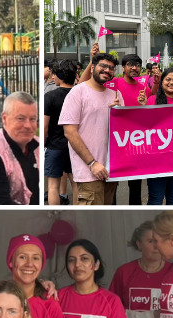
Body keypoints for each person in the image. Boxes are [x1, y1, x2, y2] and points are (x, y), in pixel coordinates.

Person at [60, 53, 122, 205]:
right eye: (103, 66)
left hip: (111, 171)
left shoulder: (116, 95)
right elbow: (69, 132)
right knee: (90, 223)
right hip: (89, 172)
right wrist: (92, 163)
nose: (107, 70)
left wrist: (120, 113)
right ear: (93, 67)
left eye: (111, 68)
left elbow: (123, 132)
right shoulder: (77, 92)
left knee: (106, 220)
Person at [5, 234, 64, 318]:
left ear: (41, 264)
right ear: (11, 262)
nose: (29, 264)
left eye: (36, 258)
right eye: (22, 257)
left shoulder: (50, 304)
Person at [0, 92, 41, 205]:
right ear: (4, 118)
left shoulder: (38, 144)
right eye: (20, 118)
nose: (27, 125)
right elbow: (0, 205)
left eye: (33, 119)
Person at [146, 67, 173, 205]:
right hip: (156, 160)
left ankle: (172, 227)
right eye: (168, 79)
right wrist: (142, 109)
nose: (171, 82)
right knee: (155, 200)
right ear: (162, 82)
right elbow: (145, 128)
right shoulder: (152, 100)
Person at [43, 60, 79, 205]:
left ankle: (55, 218)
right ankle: (78, 217)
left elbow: (45, 126)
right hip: (76, 146)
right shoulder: (79, 95)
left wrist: (43, 144)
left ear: (59, 76)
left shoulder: (50, 96)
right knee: (77, 184)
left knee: (53, 186)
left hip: (54, 145)